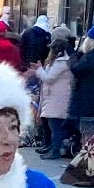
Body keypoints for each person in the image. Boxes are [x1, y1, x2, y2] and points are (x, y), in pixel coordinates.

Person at [36, 29, 77, 159]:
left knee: (55, 127)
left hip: (58, 98)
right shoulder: (58, 62)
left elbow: (49, 78)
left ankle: (55, 151)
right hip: (54, 97)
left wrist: (39, 69)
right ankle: (52, 149)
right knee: (53, 125)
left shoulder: (61, 63)